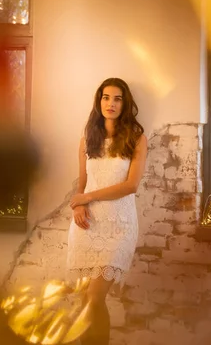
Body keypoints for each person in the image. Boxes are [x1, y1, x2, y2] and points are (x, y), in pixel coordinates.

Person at [67, 77, 147, 345]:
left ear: (125, 104)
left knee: (94, 297)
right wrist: (80, 205)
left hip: (120, 224)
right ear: (98, 101)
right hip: (88, 224)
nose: (110, 104)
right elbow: (83, 181)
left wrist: (86, 197)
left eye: (117, 99)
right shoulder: (87, 139)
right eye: (105, 97)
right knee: (84, 299)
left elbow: (131, 185)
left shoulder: (136, 139)